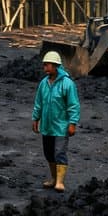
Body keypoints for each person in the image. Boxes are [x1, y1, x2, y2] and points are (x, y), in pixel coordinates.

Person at [32, 50, 80, 192]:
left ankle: (60, 181)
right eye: (44, 65)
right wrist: (35, 118)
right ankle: (53, 178)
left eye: (47, 65)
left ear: (55, 65)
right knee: (48, 153)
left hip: (61, 126)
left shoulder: (67, 84)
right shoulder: (44, 83)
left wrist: (72, 123)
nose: (45, 67)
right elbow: (38, 103)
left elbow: (73, 105)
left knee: (59, 152)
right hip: (47, 126)